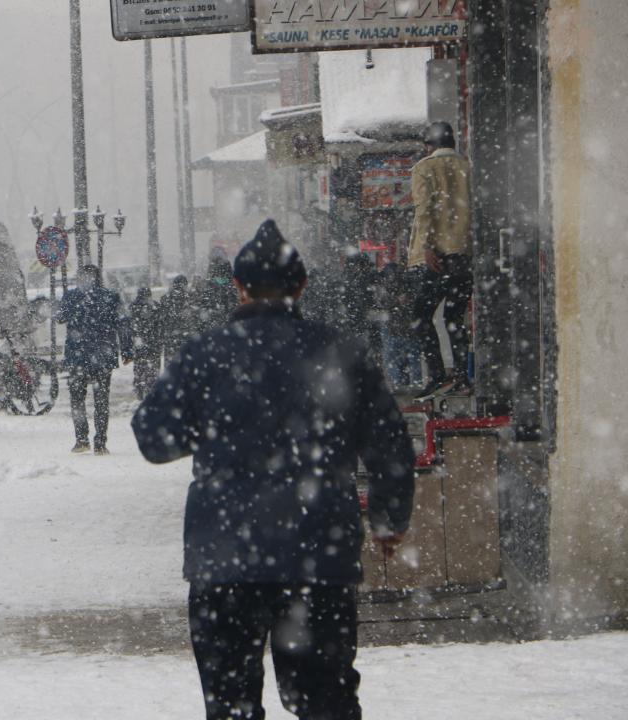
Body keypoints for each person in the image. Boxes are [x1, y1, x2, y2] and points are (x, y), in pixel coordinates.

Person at [132, 220, 415, 720]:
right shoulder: (340, 354)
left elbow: (154, 439)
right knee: (326, 702)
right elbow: (389, 443)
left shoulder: (204, 354)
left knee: (231, 705)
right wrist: (388, 519)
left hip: (225, 557)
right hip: (318, 553)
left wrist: (215, 426)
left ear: (238, 286)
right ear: (301, 285)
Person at [409, 120, 473, 399]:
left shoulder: (424, 168)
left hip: (439, 256)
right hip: (465, 256)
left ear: (429, 145)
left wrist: (426, 246)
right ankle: (461, 377)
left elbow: (424, 210)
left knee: (420, 316)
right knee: (453, 317)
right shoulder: (468, 167)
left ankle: (437, 375)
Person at [57, 265, 130, 454]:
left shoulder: (71, 296)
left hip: (77, 356)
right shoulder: (110, 297)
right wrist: (127, 349)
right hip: (102, 356)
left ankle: (82, 439)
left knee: (77, 399)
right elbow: (123, 323)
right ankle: (100, 442)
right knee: (101, 400)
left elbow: (60, 317)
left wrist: (71, 303)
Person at [376, 262, 423, 390]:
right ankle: (410, 385)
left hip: (399, 328)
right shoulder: (407, 285)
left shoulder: (387, 287)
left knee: (398, 360)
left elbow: (381, 303)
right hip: (401, 328)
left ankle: (404, 385)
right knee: (407, 359)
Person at [128, 287, 162, 401]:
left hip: (139, 343)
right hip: (153, 343)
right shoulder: (155, 306)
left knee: (139, 367)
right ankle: (151, 389)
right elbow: (159, 325)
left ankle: (139, 388)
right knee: (152, 369)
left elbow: (130, 326)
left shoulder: (133, 307)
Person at [195, 251, 239, 334]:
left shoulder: (210, 288)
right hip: (229, 330)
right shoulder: (233, 288)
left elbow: (203, 311)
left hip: (212, 330)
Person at [157, 275, 195, 361]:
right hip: (185, 337)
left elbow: (161, 320)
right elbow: (194, 319)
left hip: (170, 337)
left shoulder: (165, 298)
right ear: (184, 285)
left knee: (171, 362)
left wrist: (162, 337)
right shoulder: (189, 298)